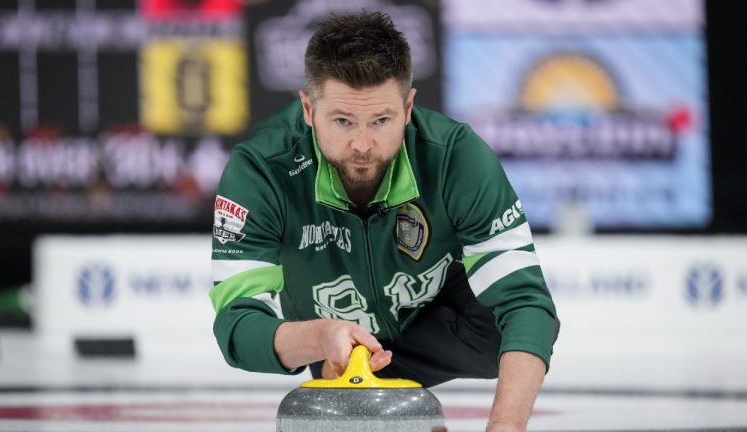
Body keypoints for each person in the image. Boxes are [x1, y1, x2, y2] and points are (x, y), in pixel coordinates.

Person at [210, 11, 559, 432]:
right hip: (331, 350)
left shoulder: (456, 156)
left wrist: (506, 427)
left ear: (408, 107)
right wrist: (320, 338)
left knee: (513, 327)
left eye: (381, 121)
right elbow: (237, 323)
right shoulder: (260, 170)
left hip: (449, 326)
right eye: (342, 121)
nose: (361, 145)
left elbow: (527, 303)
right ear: (308, 108)